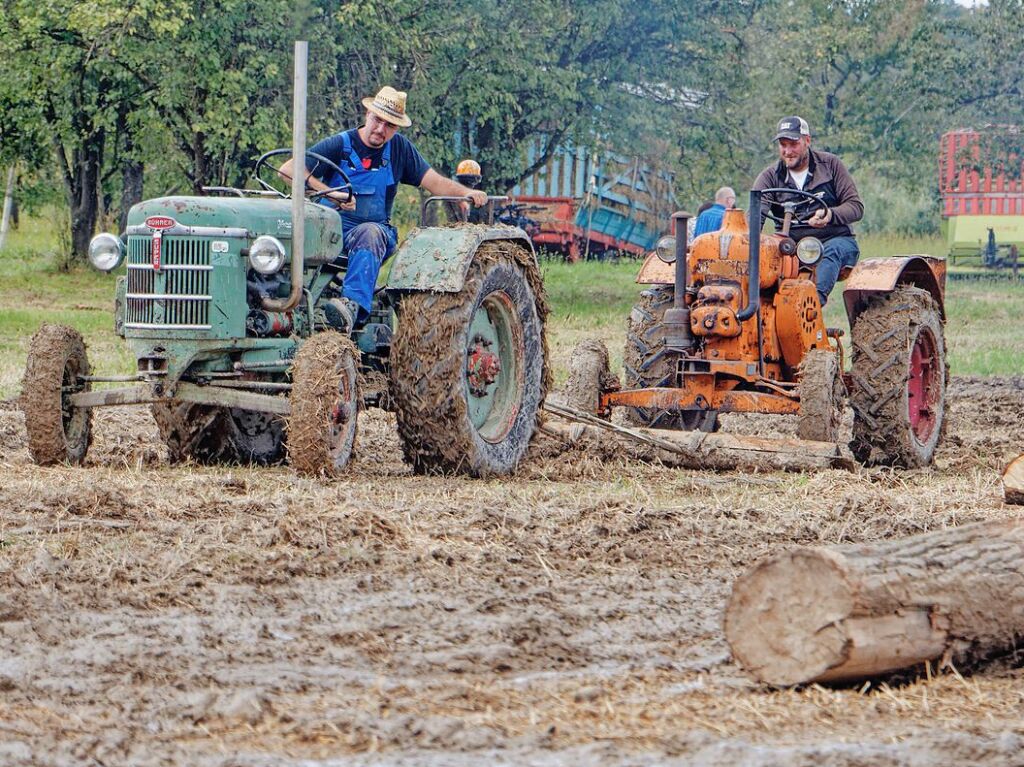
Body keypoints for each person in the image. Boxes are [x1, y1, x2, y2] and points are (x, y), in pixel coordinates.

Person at [279, 86, 487, 330]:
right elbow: (288, 170)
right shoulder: (340, 144)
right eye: (377, 120)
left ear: (396, 128)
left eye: (389, 125)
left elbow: (434, 182)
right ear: (368, 114)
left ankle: (350, 309)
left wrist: (465, 192)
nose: (380, 129)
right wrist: (330, 192)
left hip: (373, 235)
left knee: (371, 232)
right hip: (329, 234)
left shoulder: (400, 149)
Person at [752, 115, 863, 305]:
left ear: (807, 141)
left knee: (831, 250)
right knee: (763, 260)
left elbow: (856, 207)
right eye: (783, 145)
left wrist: (830, 215)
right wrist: (751, 238)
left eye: (793, 144)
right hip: (790, 246)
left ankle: (813, 305)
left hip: (835, 240)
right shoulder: (770, 177)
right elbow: (756, 215)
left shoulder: (830, 165)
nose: (788, 151)